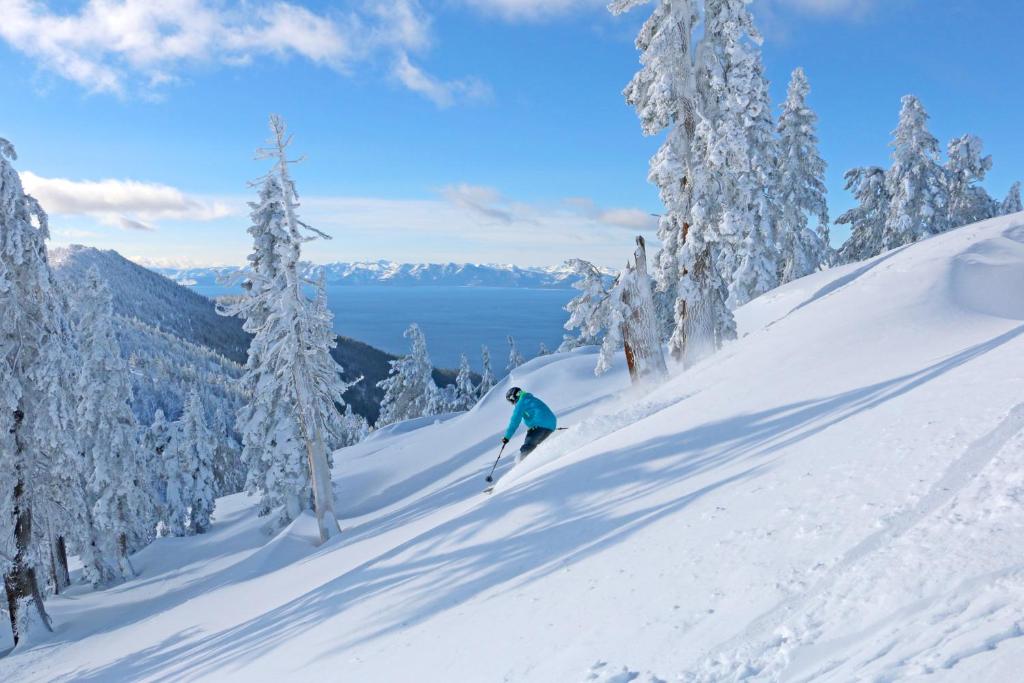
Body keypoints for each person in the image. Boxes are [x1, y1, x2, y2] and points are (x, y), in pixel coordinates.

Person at [502, 386, 557, 463]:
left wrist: (507, 437)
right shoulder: (531, 399)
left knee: (528, 447)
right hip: (551, 425)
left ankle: (522, 466)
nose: (512, 403)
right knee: (537, 446)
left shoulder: (521, 403)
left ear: (513, 397)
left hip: (540, 426)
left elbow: (514, 421)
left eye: (511, 401)